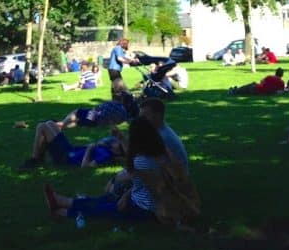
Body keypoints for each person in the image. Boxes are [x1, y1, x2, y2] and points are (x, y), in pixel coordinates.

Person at [44, 116, 199, 225]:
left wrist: (126, 195)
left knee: (103, 209)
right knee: (104, 200)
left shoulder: (143, 160)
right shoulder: (160, 151)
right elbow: (147, 181)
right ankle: (64, 202)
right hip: (142, 200)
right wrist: (120, 138)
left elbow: (155, 188)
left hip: (145, 208)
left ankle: (63, 212)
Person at [18, 121, 127, 170]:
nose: (114, 141)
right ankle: (39, 158)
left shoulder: (106, 155)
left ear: (118, 151)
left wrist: (89, 149)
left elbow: (85, 167)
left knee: (41, 126)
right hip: (70, 149)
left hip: (65, 158)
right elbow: (114, 136)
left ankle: (35, 159)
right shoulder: (105, 148)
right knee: (50, 123)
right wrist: (117, 134)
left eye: (117, 143)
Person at [57, 91, 139, 130]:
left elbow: (99, 107)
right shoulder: (125, 116)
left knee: (77, 112)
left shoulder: (115, 104)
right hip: (98, 123)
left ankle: (60, 125)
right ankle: (61, 126)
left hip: (95, 115)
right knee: (78, 122)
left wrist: (94, 110)